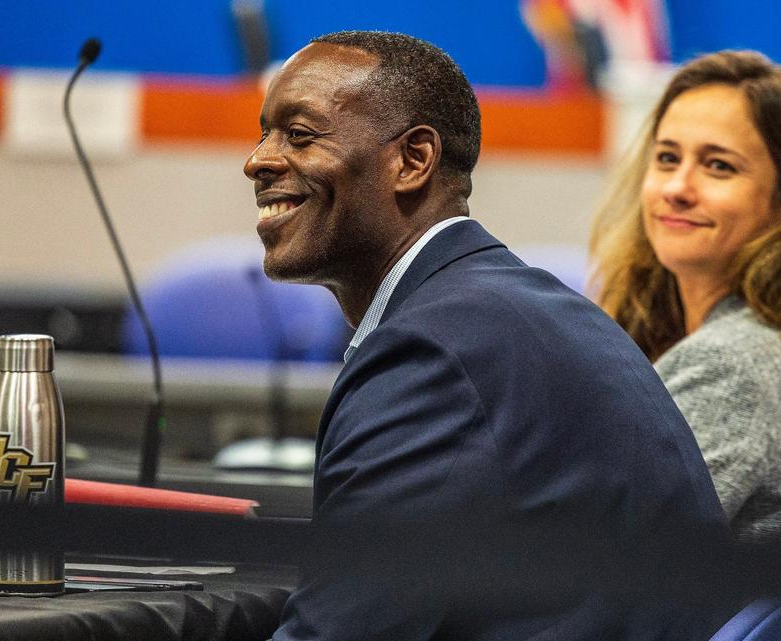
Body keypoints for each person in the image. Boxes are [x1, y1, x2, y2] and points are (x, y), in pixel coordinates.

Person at [244, 31, 727, 641]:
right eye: (263, 133)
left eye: (300, 134)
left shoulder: (433, 355)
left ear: (413, 160)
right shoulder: (504, 307)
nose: (257, 159)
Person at [591, 51, 781, 554]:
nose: (677, 188)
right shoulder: (755, 347)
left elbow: (596, 569)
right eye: (667, 158)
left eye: (718, 166)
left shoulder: (733, 365)